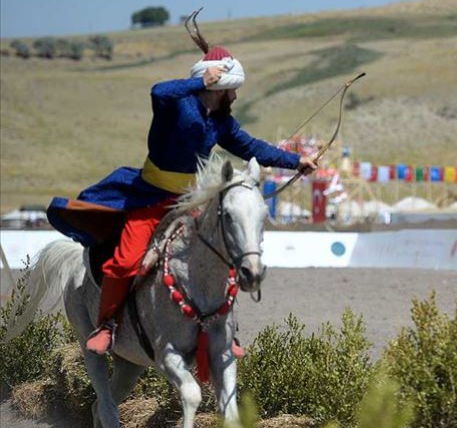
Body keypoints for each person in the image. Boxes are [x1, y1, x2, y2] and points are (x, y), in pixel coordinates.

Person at [48, 43, 317, 356]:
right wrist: (200, 82)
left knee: (223, 256)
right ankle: (107, 325)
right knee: (124, 262)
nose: (235, 96)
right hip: (149, 198)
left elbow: (254, 147)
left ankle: (227, 333)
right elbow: (158, 91)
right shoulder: (176, 105)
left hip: (190, 200)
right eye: (232, 90)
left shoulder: (221, 123)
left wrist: (296, 162)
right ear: (219, 88)